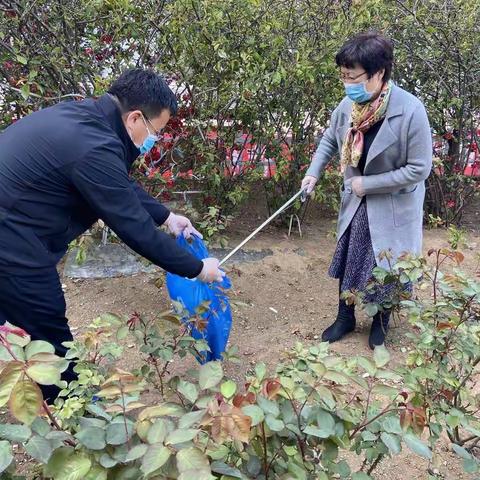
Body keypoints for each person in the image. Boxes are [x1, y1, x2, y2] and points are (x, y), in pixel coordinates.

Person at [0, 68, 223, 401]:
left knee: (15, 325)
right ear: (134, 118)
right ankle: (72, 414)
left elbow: (119, 184)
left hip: (13, 226)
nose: (153, 141)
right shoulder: (92, 145)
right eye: (154, 131)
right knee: (47, 328)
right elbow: (135, 230)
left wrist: (167, 217)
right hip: (11, 241)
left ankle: (24, 382)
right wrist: (198, 269)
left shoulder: (86, 119)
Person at [301, 32, 432, 349]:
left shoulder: (411, 111)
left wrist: (367, 183)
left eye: (353, 76)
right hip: (357, 200)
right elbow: (331, 139)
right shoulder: (350, 104)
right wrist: (312, 173)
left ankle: (381, 322)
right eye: (344, 76)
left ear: (379, 73)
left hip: (392, 203)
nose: (347, 83)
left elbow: (419, 169)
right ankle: (344, 317)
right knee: (350, 256)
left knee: (383, 264)